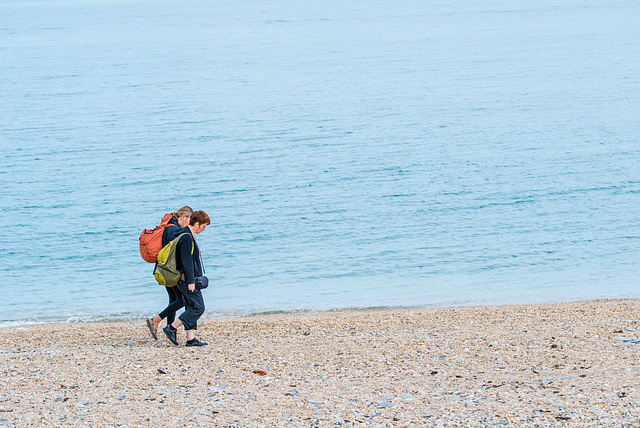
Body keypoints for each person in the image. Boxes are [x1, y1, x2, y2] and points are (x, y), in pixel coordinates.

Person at [163, 210, 210, 347]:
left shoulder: (185, 234)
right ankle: (171, 328)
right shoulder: (186, 237)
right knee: (198, 307)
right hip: (187, 279)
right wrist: (190, 281)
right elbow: (186, 261)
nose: (203, 229)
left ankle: (190, 339)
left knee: (191, 306)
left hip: (185, 278)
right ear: (196, 224)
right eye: (203, 226)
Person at [146, 206, 193, 340]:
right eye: (189, 222)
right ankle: (155, 320)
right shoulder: (173, 229)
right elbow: (176, 251)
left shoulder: (169, 226)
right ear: (184, 217)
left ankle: (170, 333)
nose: (189, 225)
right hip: (171, 271)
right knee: (182, 300)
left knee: (174, 300)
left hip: (164, 270)